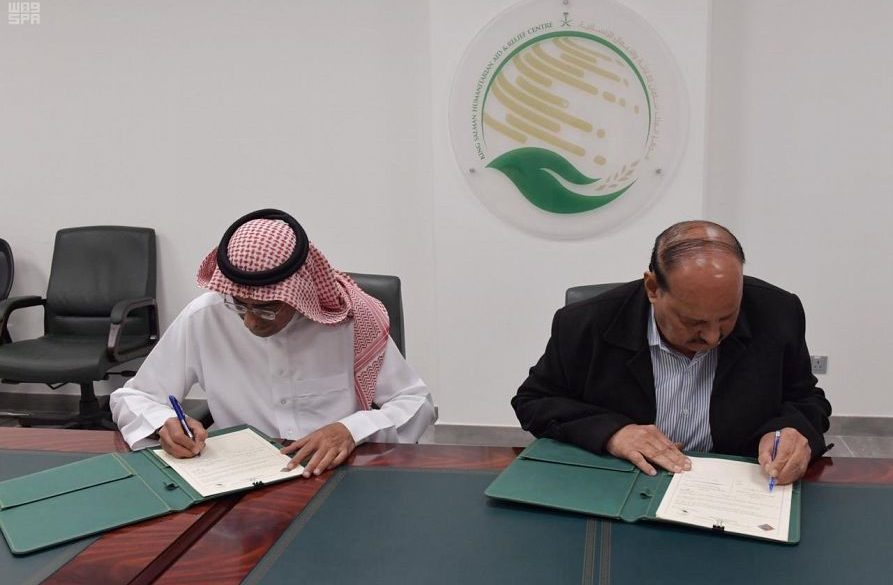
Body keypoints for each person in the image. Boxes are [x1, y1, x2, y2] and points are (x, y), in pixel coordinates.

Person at [111, 209, 436, 477]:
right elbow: (135, 397)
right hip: (239, 478)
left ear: (298, 292)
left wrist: (351, 429)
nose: (251, 321)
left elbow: (415, 402)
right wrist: (164, 424)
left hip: (337, 474)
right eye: (240, 305)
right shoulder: (205, 316)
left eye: (267, 308)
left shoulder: (351, 320)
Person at [512, 220, 831, 486]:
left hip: (734, 487)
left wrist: (791, 432)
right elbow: (535, 401)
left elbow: (806, 399)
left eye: (726, 317)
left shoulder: (777, 314)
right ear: (653, 288)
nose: (712, 337)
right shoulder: (588, 323)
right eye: (694, 322)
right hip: (624, 483)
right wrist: (614, 433)